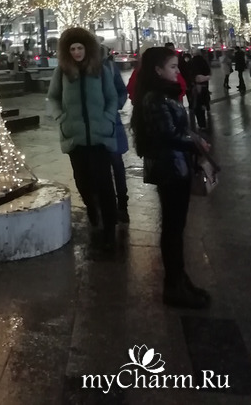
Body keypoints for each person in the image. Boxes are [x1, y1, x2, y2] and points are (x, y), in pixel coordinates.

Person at [130, 46, 210, 309]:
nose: (178, 71)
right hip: (170, 169)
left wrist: (193, 139)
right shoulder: (155, 98)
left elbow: (177, 129)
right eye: (173, 67)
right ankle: (174, 286)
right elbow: (168, 135)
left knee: (177, 228)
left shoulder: (165, 94)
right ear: (158, 70)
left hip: (176, 166)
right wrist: (196, 143)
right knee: (173, 229)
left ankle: (180, 279)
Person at [47, 28, 118, 250]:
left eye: (80, 48)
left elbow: (112, 97)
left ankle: (110, 226)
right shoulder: (62, 71)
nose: (77, 52)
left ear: (87, 48)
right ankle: (92, 210)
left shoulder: (100, 70)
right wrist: (61, 117)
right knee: (83, 180)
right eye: (72, 49)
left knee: (104, 183)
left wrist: (108, 118)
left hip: (99, 136)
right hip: (75, 136)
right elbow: (53, 97)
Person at [101, 47, 130, 224]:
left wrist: (114, 106)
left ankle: (122, 204)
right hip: (93, 127)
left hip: (112, 123)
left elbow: (122, 91)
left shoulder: (110, 67)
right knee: (99, 168)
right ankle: (105, 205)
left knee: (117, 164)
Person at [189, 49, 211, 131]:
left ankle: (201, 123)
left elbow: (189, 72)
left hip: (195, 84)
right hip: (204, 83)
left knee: (197, 102)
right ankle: (206, 106)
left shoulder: (191, 62)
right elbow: (208, 71)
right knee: (204, 98)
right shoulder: (203, 61)